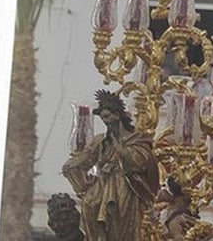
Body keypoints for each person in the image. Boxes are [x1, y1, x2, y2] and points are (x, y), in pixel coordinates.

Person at [62, 90, 160, 241]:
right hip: (104, 183)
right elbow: (87, 158)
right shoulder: (101, 140)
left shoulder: (136, 140)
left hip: (126, 185)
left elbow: (141, 163)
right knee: (89, 203)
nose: (105, 121)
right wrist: (72, 165)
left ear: (118, 115)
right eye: (102, 118)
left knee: (116, 216)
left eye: (107, 116)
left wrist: (120, 149)